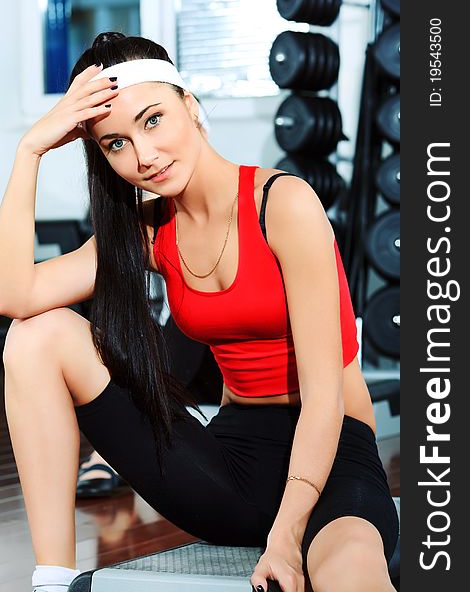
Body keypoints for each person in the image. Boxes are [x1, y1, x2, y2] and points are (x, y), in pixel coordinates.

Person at [0, 32, 399, 592]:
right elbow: (15, 294)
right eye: (114, 143)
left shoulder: (283, 204)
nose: (143, 155)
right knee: (33, 334)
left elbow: (327, 398)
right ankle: (52, 581)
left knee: (353, 574)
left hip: (330, 453)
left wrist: (286, 539)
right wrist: (30, 150)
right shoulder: (146, 230)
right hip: (232, 463)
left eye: (153, 120)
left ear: (189, 106)